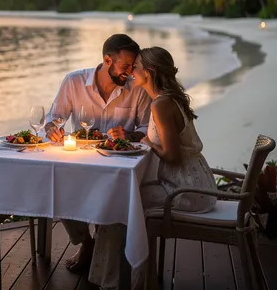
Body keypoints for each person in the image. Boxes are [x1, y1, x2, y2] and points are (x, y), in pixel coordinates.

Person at [88, 46, 217, 289]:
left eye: (135, 67)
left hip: (186, 190)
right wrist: (136, 138)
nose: (131, 72)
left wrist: (147, 142)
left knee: (117, 203)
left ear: (150, 71)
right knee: (120, 199)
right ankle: (128, 276)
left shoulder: (161, 105)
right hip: (196, 182)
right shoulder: (167, 99)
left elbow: (171, 155)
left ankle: (119, 281)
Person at [43, 33, 152, 273]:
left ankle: (112, 252)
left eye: (133, 67)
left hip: (119, 162)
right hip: (81, 159)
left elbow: (145, 129)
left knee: (115, 194)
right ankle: (86, 242)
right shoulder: (73, 82)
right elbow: (54, 119)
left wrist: (129, 135)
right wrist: (52, 129)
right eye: (125, 66)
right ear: (107, 60)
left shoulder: (138, 88)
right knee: (59, 184)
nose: (130, 72)